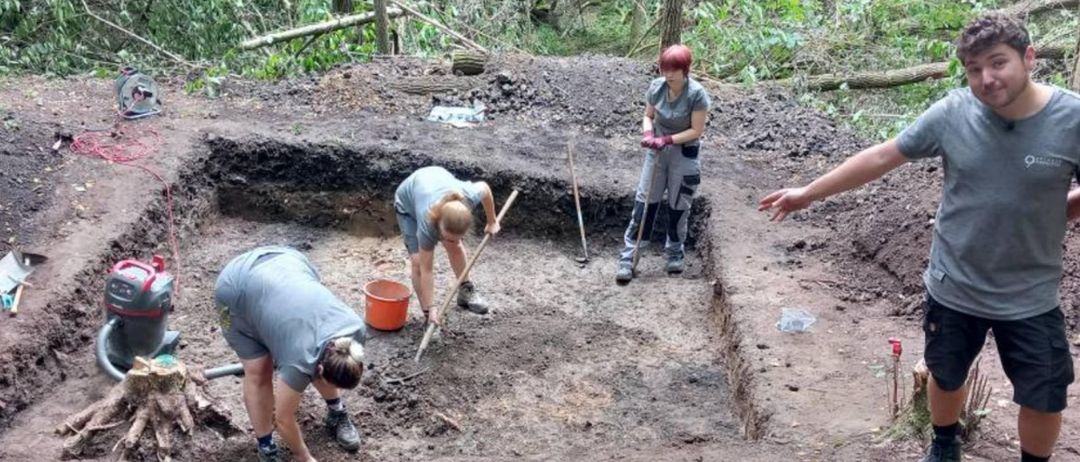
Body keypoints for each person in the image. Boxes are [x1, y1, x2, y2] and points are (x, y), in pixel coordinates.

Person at [759, 14, 1077, 462]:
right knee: (946, 375)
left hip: (1032, 296)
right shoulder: (952, 113)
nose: (986, 79)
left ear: (1029, 58)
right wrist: (807, 194)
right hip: (955, 286)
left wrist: (1061, 206)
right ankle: (944, 446)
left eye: (998, 63)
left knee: (1044, 395)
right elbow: (883, 155)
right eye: (973, 69)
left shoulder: (1072, 118)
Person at [215, 246, 367, 462]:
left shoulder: (356, 330)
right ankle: (266, 446)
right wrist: (305, 457)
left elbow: (331, 359)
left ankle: (336, 412)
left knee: (325, 359)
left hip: (290, 264)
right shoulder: (299, 361)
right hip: (235, 290)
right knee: (259, 370)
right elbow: (284, 419)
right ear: (318, 368)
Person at [616, 44, 712, 284]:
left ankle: (674, 252)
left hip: (683, 152)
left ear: (685, 70)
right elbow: (648, 115)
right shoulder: (656, 88)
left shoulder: (696, 94)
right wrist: (649, 135)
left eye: (674, 70)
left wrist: (667, 140)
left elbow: (697, 130)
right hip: (656, 153)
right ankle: (629, 257)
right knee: (645, 203)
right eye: (664, 69)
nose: (668, 74)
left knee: (679, 204)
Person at [394, 166, 499, 324]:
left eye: (458, 237)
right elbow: (426, 270)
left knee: (454, 247)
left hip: (436, 182)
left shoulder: (468, 197)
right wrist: (432, 306)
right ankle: (429, 316)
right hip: (407, 206)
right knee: (417, 262)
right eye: (448, 237)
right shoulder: (427, 223)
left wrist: (492, 221)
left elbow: (485, 187)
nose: (452, 241)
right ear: (438, 225)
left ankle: (465, 291)